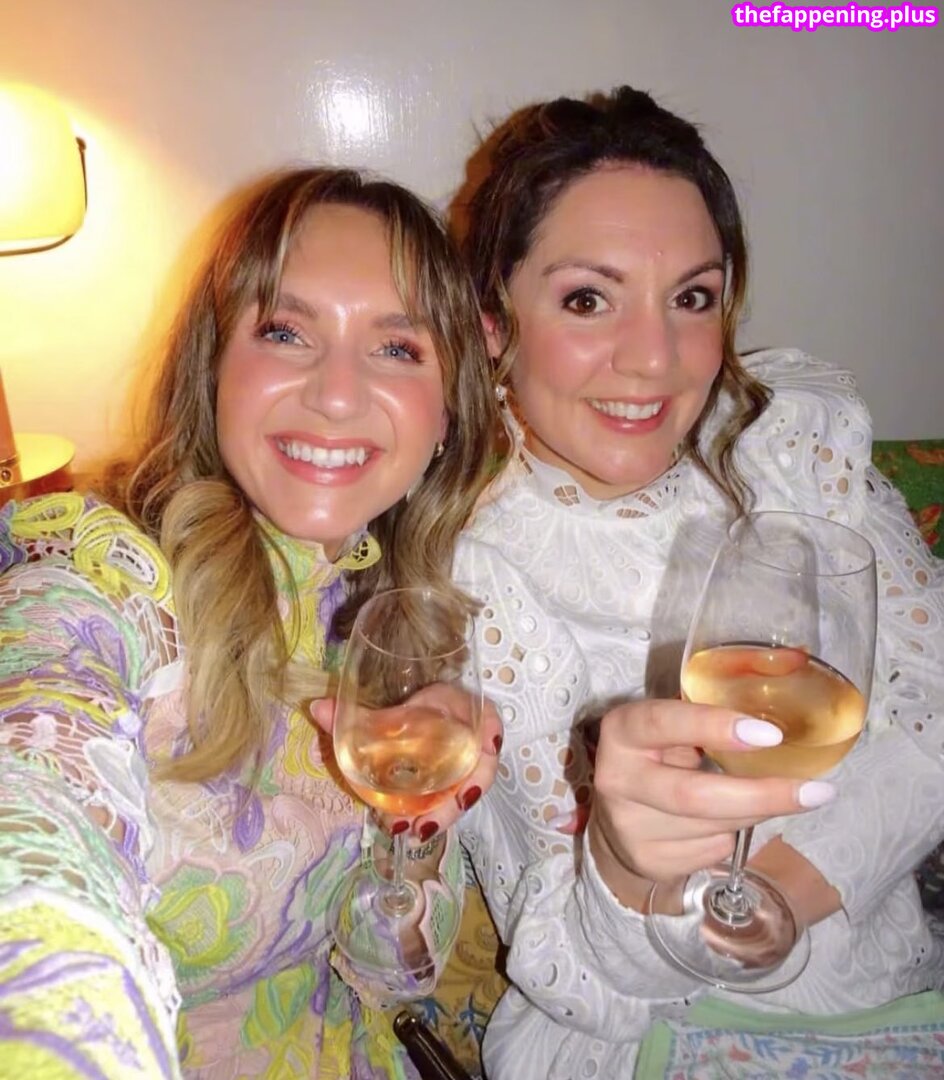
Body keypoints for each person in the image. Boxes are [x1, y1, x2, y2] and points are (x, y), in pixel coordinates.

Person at [449, 87, 944, 1077]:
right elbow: (577, 977)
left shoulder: (792, 442)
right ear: (495, 321)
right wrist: (628, 869)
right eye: (586, 299)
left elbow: (934, 698)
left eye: (691, 298)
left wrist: (780, 897)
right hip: (634, 1043)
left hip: (886, 1008)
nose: (653, 360)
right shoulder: (468, 566)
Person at [0, 167, 502, 1079]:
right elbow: (31, 796)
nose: (337, 394)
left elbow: (386, 978)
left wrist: (414, 835)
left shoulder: (404, 614)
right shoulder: (107, 581)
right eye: (285, 332)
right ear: (214, 368)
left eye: (397, 348)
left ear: (446, 414)